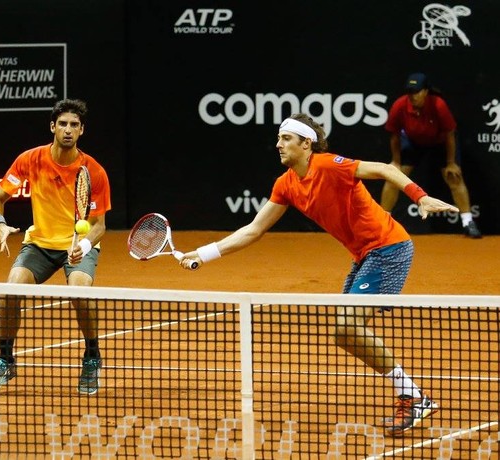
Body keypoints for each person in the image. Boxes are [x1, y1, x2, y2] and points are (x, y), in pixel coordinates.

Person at [180, 113, 459, 436]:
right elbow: (254, 230)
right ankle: (411, 393)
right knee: (343, 334)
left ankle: (412, 396)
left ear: (306, 143)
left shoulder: (329, 165)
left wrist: (420, 196)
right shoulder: (285, 184)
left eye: (286, 139)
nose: (278, 145)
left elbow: (383, 169)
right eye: (278, 138)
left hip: (388, 248)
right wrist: (204, 253)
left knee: (347, 324)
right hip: (364, 255)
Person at [0, 98, 112, 395]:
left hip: (76, 246)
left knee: (80, 292)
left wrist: (83, 244)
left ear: (82, 130)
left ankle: (92, 357)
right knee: (11, 288)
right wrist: (0, 224)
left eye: (74, 125)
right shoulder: (30, 159)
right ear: (53, 127)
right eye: (63, 124)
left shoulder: (93, 171)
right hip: (40, 244)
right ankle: (5, 359)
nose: (68, 130)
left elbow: (99, 225)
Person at [380, 72, 482, 238]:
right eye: (410, 92)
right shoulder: (400, 105)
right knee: (393, 176)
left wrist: (451, 162)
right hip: (413, 143)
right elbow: (394, 136)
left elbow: (450, 134)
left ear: (426, 92)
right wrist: (396, 162)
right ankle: (383, 222)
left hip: (439, 142)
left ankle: (468, 222)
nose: (412, 96)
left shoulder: (438, 105)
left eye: (417, 91)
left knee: (454, 177)